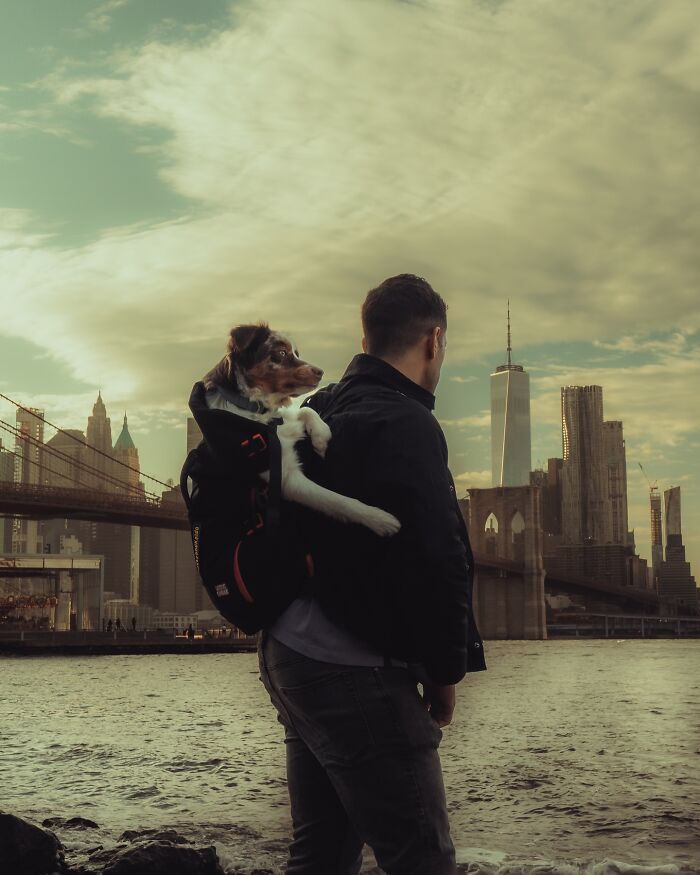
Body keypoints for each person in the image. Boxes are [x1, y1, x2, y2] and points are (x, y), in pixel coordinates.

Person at [257, 274, 487, 875]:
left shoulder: (317, 408)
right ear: (433, 341)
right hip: (349, 668)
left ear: (367, 335)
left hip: (289, 656)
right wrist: (444, 674)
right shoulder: (406, 421)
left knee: (323, 854)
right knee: (422, 858)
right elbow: (438, 558)